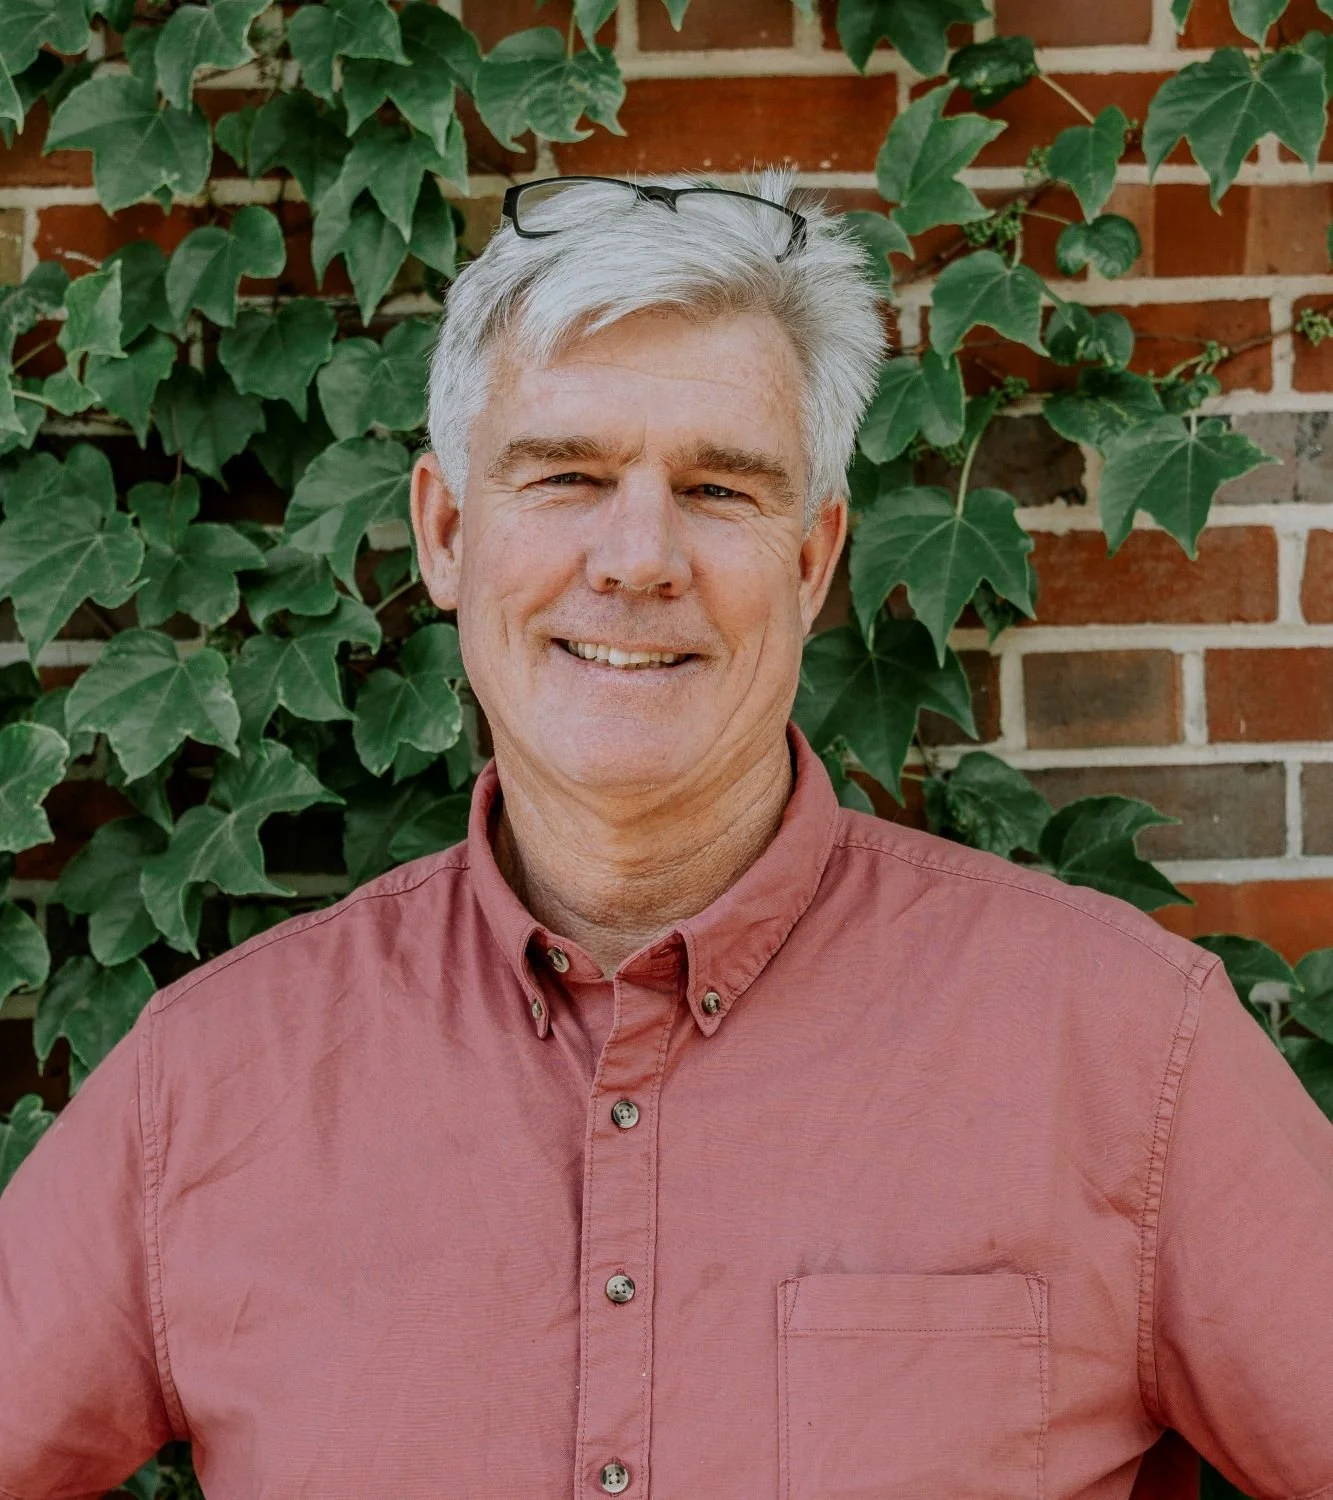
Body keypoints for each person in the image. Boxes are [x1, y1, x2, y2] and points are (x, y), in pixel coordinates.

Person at [2, 171, 1331, 1500]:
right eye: (569, 474)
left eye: (719, 489)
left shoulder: (1124, 1046)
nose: (638, 557)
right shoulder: (211, 1084)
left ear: (812, 564)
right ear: (447, 533)